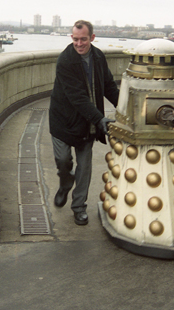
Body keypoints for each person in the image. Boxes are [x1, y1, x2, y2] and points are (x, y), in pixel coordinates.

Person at [49, 20, 120, 225]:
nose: (79, 44)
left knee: (85, 166)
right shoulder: (65, 60)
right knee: (63, 161)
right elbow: (77, 97)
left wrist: (125, 109)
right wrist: (100, 118)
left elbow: (108, 85)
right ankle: (65, 182)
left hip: (87, 123)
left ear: (92, 38)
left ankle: (79, 206)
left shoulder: (98, 56)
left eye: (83, 39)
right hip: (63, 120)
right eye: (75, 39)